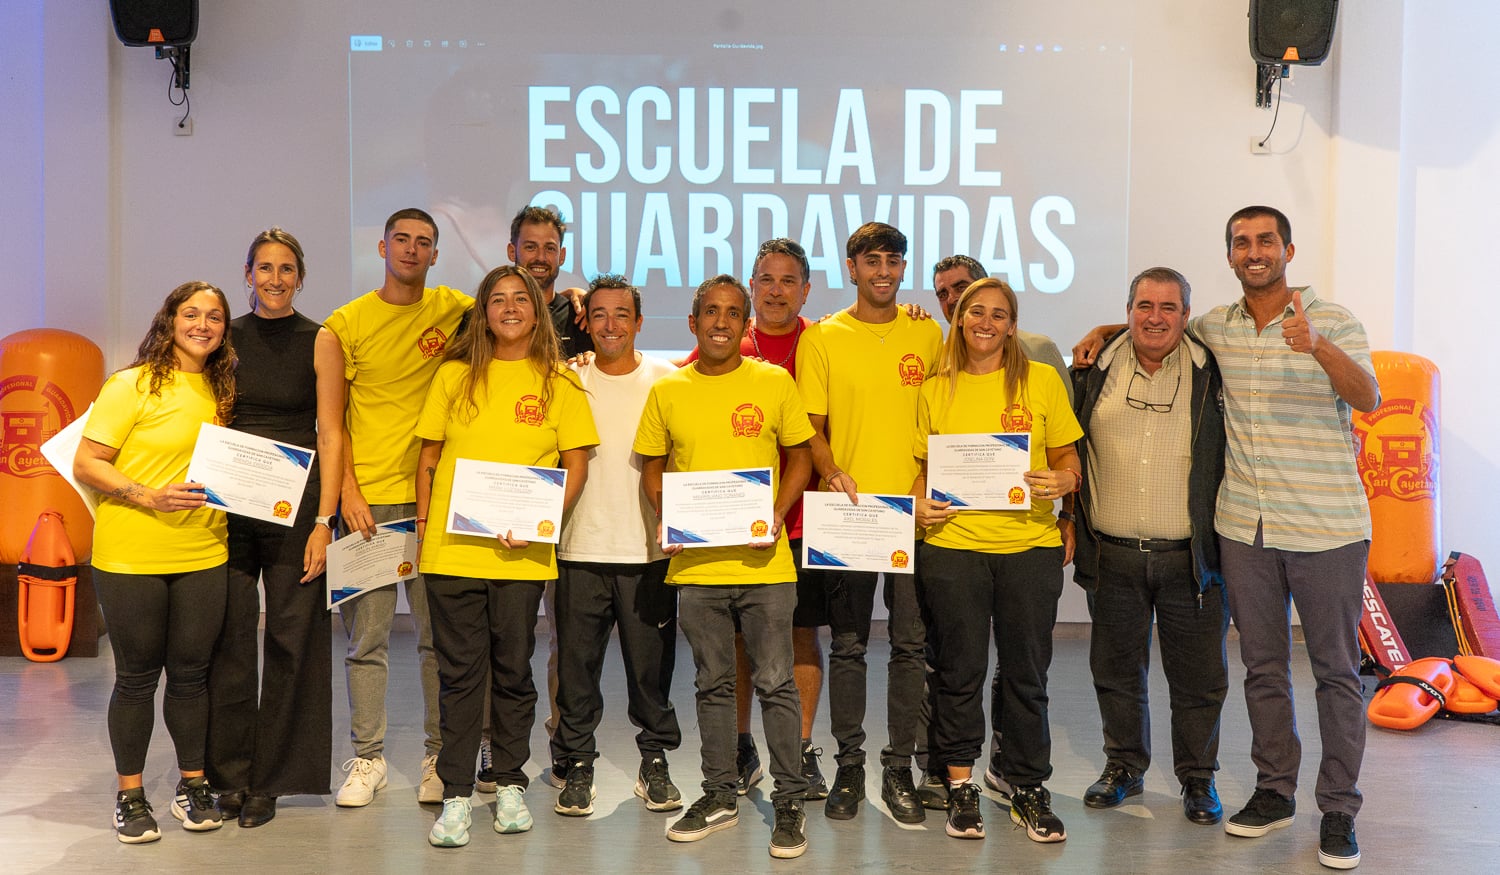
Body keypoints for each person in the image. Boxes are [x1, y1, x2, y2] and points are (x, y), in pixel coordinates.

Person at [1073, 206, 1379, 870]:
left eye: (1265, 240)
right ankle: (1274, 794)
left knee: (1336, 674)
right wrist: (1103, 328)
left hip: (1327, 527)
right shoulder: (1216, 328)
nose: (1254, 250)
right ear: (1232, 255)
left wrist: (1317, 345)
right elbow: (1154, 325)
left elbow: (1369, 396)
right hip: (1246, 528)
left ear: (1288, 249)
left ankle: (1338, 809)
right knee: (1264, 670)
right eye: (1242, 242)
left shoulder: (1335, 319)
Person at [416, 264, 598, 847]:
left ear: (538, 310)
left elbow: (577, 466)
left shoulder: (561, 384)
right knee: (460, 675)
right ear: (484, 311)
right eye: (498, 299)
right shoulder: (452, 377)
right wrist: (423, 529)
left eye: (522, 299)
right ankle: (457, 795)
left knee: (513, 672)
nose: (511, 308)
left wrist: (542, 521)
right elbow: (428, 459)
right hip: (453, 554)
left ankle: (511, 782)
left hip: (521, 557)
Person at [635, 274, 814, 859]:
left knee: (775, 682)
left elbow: (800, 458)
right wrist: (674, 516)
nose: (721, 322)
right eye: (710, 312)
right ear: (692, 322)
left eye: (733, 313)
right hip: (699, 568)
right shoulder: (668, 391)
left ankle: (789, 800)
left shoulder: (773, 381)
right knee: (711, 684)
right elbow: (654, 469)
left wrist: (776, 513)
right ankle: (718, 794)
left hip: (765, 566)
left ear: (745, 325)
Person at [912, 277, 1082, 843]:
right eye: (974, 312)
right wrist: (917, 501)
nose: (985, 322)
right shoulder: (936, 388)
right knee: (959, 671)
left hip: (1028, 547)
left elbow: (1066, 458)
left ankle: (1027, 784)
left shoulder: (1040, 381)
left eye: (998, 314)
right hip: (954, 547)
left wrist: (1065, 480)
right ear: (959, 319)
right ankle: (961, 787)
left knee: (1027, 675)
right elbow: (923, 468)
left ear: (1013, 325)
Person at [74, 281, 237, 843]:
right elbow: (88, 462)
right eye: (191, 313)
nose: (203, 324)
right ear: (169, 319)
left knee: (192, 678)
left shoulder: (224, 388)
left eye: (214, 316)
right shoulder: (131, 383)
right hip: (131, 555)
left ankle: (191, 786)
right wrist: (148, 495)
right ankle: (130, 795)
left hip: (204, 551)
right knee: (137, 679)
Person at [322, 208, 472, 807]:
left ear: (436, 255)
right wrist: (348, 493)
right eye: (402, 240)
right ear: (383, 246)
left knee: (440, 642)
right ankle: (368, 758)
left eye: (424, 243)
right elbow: (331, 420)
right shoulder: (346, 323)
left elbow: (516, 305)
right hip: (372, 504)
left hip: (437, 500)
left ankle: (438, 755)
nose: (412, 250)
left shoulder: (457, 309)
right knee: (368, 643)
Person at [1070, 267, 1229, 826]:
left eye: (1168, 307)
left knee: (1199, 678)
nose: (1154, 317)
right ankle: (1124, 768)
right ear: (1128, 309)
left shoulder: (1215, 371)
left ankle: (1198, 779)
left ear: (1187, 316)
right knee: (1115, 669)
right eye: (1143, 305)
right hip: (1111, 553)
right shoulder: (1092, 371)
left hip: (1192, 558)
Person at [796, 222, 942, 824]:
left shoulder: (927, 333)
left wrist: (921, 483)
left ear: (903, 268)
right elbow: (811, 427)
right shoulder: (825, 338)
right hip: (849, 514)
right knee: (849, 646)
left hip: (913, 513)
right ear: (851, 267)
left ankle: (899, 768)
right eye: (871, 260)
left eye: (893, 260)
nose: (883, 270)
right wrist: (831, 473)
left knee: (909, 646)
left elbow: (945, 418)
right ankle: (849, 769)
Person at [206, 229, 342, 828]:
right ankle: (229, 776)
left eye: (287, 269)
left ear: (301, 278)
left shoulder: (322, 340)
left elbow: (333, 434)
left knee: (293, 642)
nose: (276, 278)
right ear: (247, 273)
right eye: (265, 268)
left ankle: (271, 781)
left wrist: (324, 521)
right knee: (230, 641)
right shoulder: (223, 338)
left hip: (297, 512)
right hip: (229, 507)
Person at [684, 238, 829, 799]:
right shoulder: (726, 340)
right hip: (736, 528)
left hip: (803, 522)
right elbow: (673, 386)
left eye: (788, 280)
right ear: (751, 285)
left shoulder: (823, 343)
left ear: (805, 289)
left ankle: (802, 748)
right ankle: (743, 744)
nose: (775, 290)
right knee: (743, 644)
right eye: (765, 279)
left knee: (800, 639)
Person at [550, 274, 683, 816]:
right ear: (588, 322)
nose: (610, 325)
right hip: (579, 548)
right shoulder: (565, 377)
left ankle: (655, 762)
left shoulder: (667, 378)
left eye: (621, 314)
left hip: (648, 552)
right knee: (577, 672)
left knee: (651, 675)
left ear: (639, 322)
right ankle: (577, 764)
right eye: (599, 314)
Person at [933, 254, 1073, 404]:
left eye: (961, 288)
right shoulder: (937, 357)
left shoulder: (1040, 349)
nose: (951, 299)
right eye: (943, 294)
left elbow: (1065, 412)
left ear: (985, 285)